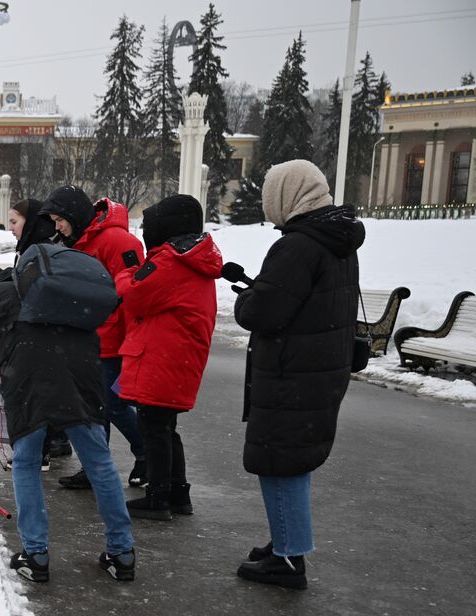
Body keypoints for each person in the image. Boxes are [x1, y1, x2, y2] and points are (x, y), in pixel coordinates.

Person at [0, 242, 136, 585]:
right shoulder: (61, 289)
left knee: (26, 462)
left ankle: (36, 555)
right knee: (99, 463)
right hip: (83, 376)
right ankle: (122, 553)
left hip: (29, 382)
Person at [232, 160, 363, 590]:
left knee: (280, 462)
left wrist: (247, 299)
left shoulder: (298, 246)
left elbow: (263, 311)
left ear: (288, 195)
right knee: (293, 460)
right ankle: (287, 542)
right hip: (318, 369)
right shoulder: (335, 239)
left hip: (293, 372)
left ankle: (288, 561)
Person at [115, 195, 221, 521]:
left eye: (149, 225)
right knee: (164, 425)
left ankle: (158, 497)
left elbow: (132, 296)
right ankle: (177, 493)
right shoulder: (190, 258)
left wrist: (128, 269)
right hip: (178, 356)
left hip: (163, 356)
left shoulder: (170, 262)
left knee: (154, 425)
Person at [40, 185, 148, 490]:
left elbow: (131, 294)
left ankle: (144, 453)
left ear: (74, 214)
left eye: (59, 219)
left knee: (110, 405)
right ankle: (95, 467)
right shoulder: (80, 242)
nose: (57, 226)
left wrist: (127, 342)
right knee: (94, 407)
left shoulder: (117, 241)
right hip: (88, 338)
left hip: (111, 341)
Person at [8, 199, 71, 470]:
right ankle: (49, 444)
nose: (10, 228)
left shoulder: (43, 251)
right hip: (39, 333)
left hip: (45, 335)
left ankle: (38, 453)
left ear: (31, 222)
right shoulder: (32, 248)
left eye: (14, 222)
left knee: (38, 394)